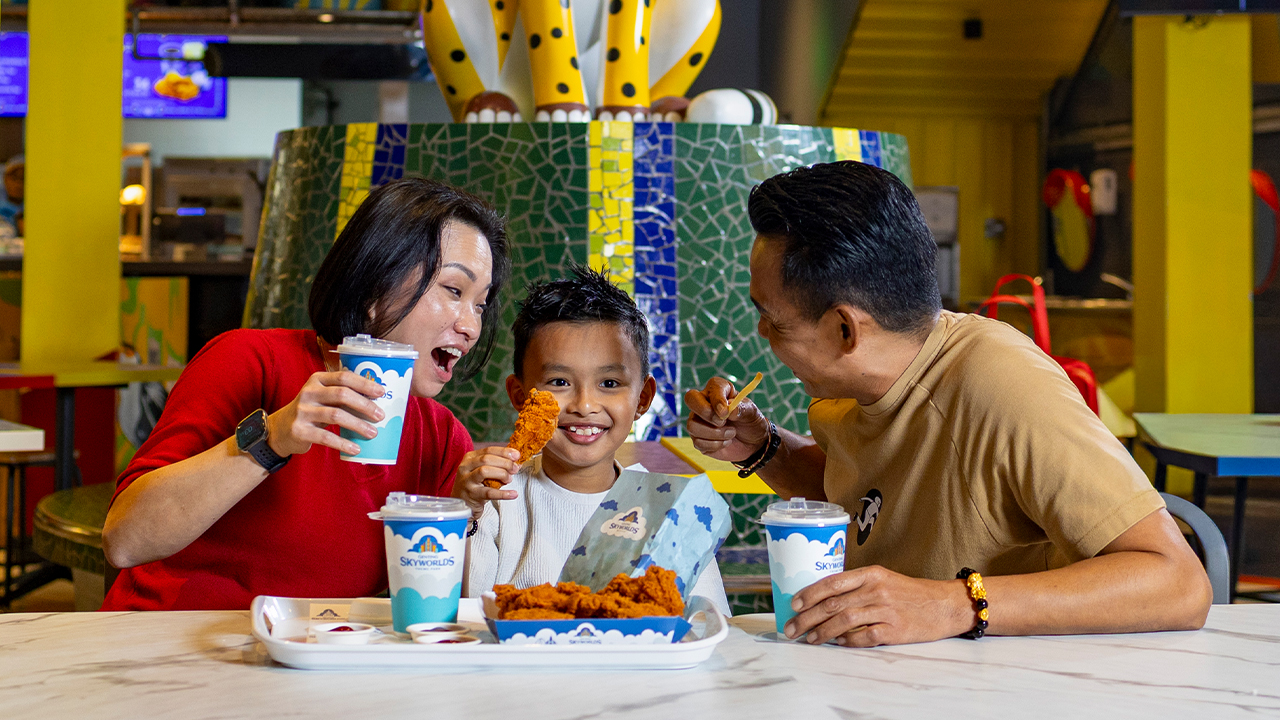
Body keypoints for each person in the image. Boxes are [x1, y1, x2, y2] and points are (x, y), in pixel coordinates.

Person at [685, 161, 1212, 646]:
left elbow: (1179, 583)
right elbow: (867, 501)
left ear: (845, 329)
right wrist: (764, 448)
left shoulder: (1001, 383)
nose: (763, 334)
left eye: (773, 320)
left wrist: (952, 603)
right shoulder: (858, 390)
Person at [101, 177, 511, 610]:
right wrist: (272, 438)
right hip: (169, 640)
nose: (471, 326)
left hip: (309, 650)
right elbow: (124, 541)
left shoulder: (442, 440)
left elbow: (434, 614)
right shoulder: (249, 362)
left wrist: (464, 513)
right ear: (376, 286)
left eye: (480, 304)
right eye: (453, 290)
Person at [457, 265, 730, 614]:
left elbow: (709, 623)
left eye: (609, 383)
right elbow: (466, 617)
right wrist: (464, 516)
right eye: (559, 382)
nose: (584, 405)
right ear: (521, 396)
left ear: (643, 398)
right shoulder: (497, 501)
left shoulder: (673, 508)